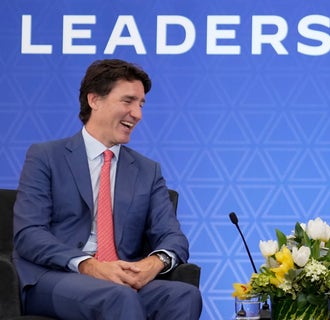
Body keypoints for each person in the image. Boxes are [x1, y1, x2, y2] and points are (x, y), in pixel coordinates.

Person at [13, 59, 202, 319]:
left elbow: (174, 237)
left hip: (121, 279)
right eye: (128, 101)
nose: (137, 114)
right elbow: (29, 234)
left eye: (141, 104)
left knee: (183, 295)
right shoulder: (46, 156)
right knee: (117, 297)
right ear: (95, 100)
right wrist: (89, 266)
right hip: (55, 277)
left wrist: (152, 263)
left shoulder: (148, 171)